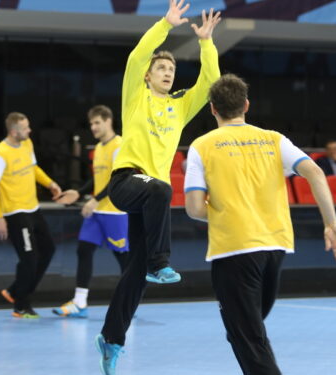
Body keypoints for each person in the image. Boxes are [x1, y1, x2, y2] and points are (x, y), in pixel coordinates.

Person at [183, 74, 336, 375]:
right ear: (246, 105)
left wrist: (226, 214)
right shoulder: (274, 139)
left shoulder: (201, 146)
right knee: (248, 331)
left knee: (246, 336)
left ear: (212, 109)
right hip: (275, 247)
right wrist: (330, 223)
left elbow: (195, 208)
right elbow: (315, 172)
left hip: (234, 249)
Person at [95, 1, 222, 373]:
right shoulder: (135, 97)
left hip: (149, 196)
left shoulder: (181, 107)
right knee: (164, 190)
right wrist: (165, 25)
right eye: (161, 68)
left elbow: (210, 84)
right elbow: (137, 56)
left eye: (171, 68)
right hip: (126, 182)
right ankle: (160, 262)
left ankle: (111, 338)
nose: (167, 72)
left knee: (134, 275)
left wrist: (206, 43)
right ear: (149, 76)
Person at [0, 112, 69, 318]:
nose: (30, 131)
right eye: (25, 128)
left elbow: (33, 168)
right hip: (15, 213)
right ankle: (21, 305)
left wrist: (50, 183)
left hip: (33, 208)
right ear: (14, 132)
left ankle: (15, 290)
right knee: (29, 259)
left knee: (48, 249)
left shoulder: (27, 143)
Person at [52, 105, 128, 318]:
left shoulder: (119, 146)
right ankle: (80, 302)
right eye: (91, 123)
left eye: (97, 122)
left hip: (115, 211)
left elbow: (118, 179)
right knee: (84, 250)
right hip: (97, 212)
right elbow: (98, 179)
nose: (93, 127)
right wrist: (79, 193)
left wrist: (95, 199)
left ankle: (129, 302)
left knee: (124, 258)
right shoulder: (99, 148)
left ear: (108, 121)